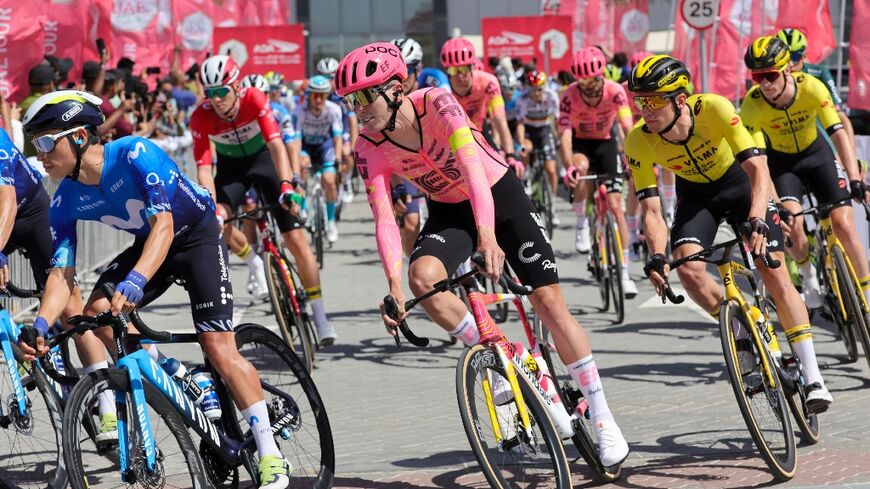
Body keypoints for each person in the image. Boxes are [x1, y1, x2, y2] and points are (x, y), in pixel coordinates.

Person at [336, 42, 630, 467]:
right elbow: (384, 218)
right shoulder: (367, 146)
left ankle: (603, 416)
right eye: (350, 100)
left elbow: (474, 170)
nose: (357, 108)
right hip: (448, 210)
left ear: (396, 87)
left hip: (497, 194)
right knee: (423, 280)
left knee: (547, 301)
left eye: (364, 96)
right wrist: (393, 286)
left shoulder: (437, 102)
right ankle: (509, 355)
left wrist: (488, 236)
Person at [18, 90, 295, 487]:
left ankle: (270, 455)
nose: (40, 155)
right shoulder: (64, 199)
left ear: (79, 137)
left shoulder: (134, 153)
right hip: (150, 246)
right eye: (35, 145)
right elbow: (61, 276)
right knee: (98, 312)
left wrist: (136, 280)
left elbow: (164, 225)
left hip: (194, 236)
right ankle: (181, 375)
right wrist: (41, 327)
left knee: (217, 346)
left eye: (46, 143)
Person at [626, 55, 833, 411]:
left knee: (773, 271)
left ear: (679, 99)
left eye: (654, 100)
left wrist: (757, 217)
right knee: (687, 270)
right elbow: (652, 210)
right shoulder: (638, 141)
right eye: (640, 101)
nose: (646, 109)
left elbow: (757, 169)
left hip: (741, 185)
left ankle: (813, 377)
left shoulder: (715, 109)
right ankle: (742, 333)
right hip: (696, 197)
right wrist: (657, 256)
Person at [191, 56, 336, 345]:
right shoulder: (201, 116)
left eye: (221, 91)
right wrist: (211, 207)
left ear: (236, 86)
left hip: (264, 162)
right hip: (231, 171)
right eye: (209, 93)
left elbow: (276, 145)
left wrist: (286, 185)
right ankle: (254, 261)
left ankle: (321, 317)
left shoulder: (255, 99)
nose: (216, 100)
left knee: (296, 240)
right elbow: (205, 168)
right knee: (216, 218)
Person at [740, 36, 870, 311]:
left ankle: (868, 295)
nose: (764, 83)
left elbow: (838, 134)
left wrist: (855, 179)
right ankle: (808, 274)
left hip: (817, 155)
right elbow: (759, 163)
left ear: (787, 69)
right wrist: (775, 204)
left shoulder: (812, 88)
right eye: (757, 76)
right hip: (783, 165)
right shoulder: (751, 105)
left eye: (770, 75)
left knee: (844, 225)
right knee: (793, 224)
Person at [560, 46, 638, 297]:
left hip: (605, 144)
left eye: (593, 80)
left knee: (616, 206)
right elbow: (564, 134)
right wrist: (568, 164)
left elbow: (627, 125)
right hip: (581, 144)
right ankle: (582, 223)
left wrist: (631, 157)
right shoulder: (568, 96)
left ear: (601, 75)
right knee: (581, 168)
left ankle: (624, 273)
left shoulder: (615, 91)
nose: (589, 86)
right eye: (582, 81)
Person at [439, 38, 523, 176]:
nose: (460, 75)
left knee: (506, 175)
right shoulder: (442, 91)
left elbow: (499, 119)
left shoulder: (487, 82)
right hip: (453, 141)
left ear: (472, 67)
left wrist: (510, 155)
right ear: (447, 70)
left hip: (480, 132)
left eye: (464, 68)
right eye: (454, 70)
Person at [292, 75, 344, 243]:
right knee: (301, 164)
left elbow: (337, 138)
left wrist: (338, 159)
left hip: (324, 146)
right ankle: (305, 208)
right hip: (306, 146)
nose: (319, 99)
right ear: (308, 95)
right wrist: (298, 157)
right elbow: (297, 140)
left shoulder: (333, 109)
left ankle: (330, 221)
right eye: (315, 95)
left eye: (323, 95)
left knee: (329, 180)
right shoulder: (299, 111)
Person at [515, 69, 560, 221]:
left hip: (545, 129)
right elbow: (520, 124)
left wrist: (559, 138)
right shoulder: (522, 99)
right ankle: (527, 178)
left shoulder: (552, 96)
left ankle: (552, 204)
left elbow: (558, 121)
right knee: (526, 148)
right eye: (533, 90)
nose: (536, 94)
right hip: (529, 130)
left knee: (551, 169)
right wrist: (521, 143)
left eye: (539, 90)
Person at [317, 57, 359, 206]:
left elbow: (352, 120)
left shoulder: (343, 93)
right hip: (326, 133)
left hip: (344, 131)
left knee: (347, 155)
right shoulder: (316, 93)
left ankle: (346, 181)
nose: (328, 81)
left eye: (331, 77)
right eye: (324, 77)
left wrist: (354, 144)